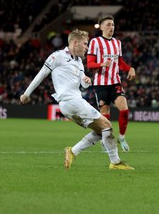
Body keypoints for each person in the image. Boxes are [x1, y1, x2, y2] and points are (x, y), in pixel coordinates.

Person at [20, 29, 134, 171]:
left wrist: (86, 80)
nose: (87, 47)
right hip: (71, 101)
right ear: (75, 43)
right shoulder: (58, 56)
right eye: (85, 44)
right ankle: (115, 163)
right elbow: (41, 74)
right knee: (107, 125)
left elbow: (83, 82)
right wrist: (26, 94)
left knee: (101, 131)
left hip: (71, 104)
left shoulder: (79, 61)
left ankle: (72, 152)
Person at [87, 15, 136, 152]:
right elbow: (90, 64)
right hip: (101, 83)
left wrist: (130, 68)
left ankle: (121, 137)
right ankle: (105, 138)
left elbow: (120, 62)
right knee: (105, 113)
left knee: (124, 109)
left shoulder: (117, 43)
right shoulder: (95, 42)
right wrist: (101, 64)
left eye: (113, 25)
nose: (111, 27)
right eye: (108, 25)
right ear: (101, 27)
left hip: (115, 82)